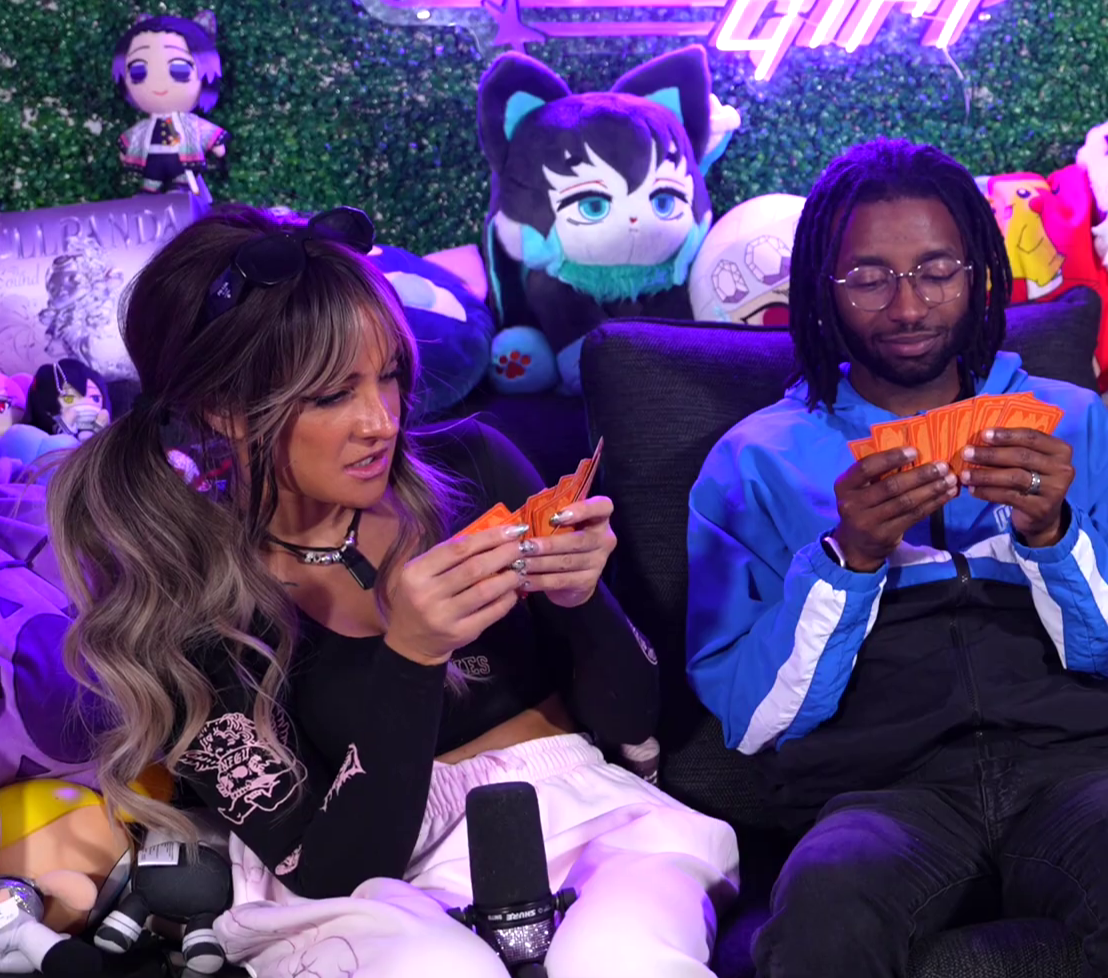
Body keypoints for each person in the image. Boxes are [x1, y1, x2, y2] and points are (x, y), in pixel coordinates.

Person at [48, 205, 737, 978]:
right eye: (332, 394)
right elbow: (334, 870)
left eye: (389, 377)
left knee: (622, 960)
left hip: (594, 824)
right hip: (370, 891)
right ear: (223, 410)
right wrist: (411, 657)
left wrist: (583, 600)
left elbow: (635, 724)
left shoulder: (475, 467)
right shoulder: (188, 614)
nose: (381, 421)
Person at [686, 139, 1108, 978]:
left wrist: (1053, 536)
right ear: (822, 290)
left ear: (978, 276)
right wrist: (849, 560)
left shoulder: (1073, 422)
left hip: (1070, 774)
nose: (908, 306)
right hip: (875, 795)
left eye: (937, 270)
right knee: (823, 909)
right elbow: (752, 720)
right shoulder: (754, 460)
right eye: (869, 277)